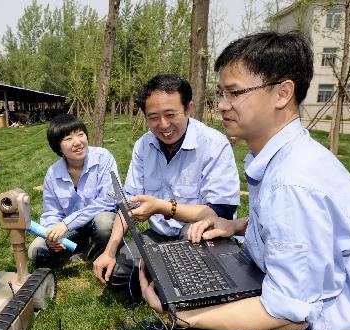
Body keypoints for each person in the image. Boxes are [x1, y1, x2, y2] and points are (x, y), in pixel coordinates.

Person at [138, 32, 350, 330]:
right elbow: (282, 231)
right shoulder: (288, 159)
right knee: (206, 302)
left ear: (282, 93)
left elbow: (288, 316)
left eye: (234, 92)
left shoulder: (293, 184)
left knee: (203, 324)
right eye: (221, 93)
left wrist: (186, 316)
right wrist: (234, 226)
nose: (222, 105)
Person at [92, 74, 240, 291]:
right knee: (116, 275)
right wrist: (109, 251)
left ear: (188, 108)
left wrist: (161, 207)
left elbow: (221, 212)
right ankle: (167, 272)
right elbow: (128, 203)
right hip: (159, 235)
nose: (163, 125)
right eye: (153, 117)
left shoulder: (213, 144)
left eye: (171, 114)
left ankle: (171, 274)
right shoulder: (143, 145)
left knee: (195, 259)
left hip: (198, 233)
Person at [28, 114, 118, 268]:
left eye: (80, 134)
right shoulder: (53, 174)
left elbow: (109, 200)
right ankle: (84, 247)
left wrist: (67, 223)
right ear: (58, 147)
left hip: (98, 220)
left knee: (104, 223)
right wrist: (51, 236)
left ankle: (100, 252)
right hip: (73, 229)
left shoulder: (103, 157)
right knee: (36, 250)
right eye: (68, 139)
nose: (77, 142)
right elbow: (51, 212)